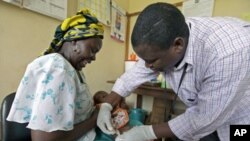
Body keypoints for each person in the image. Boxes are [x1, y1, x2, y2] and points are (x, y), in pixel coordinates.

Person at [96, 2, 250, 141]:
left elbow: (204, 118)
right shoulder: (166, 38)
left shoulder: (228, 53)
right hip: (206, 118)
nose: (147, 66)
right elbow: (133, 75)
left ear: (178, 45)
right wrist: (106, 105)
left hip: (241, 120)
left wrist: (146, 132)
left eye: (152, 61)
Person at [7, 9, 104, 141]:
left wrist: (95, 100)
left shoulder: (70, 67)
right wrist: (95, 119)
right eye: (92, 50)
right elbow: (44, 139)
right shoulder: (59, 69)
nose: (94, 58)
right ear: (75, 41)